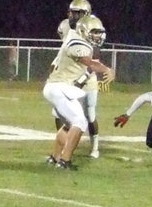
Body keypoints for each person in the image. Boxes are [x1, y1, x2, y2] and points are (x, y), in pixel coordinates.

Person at [42, 14, 114, 170]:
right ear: (83, 30)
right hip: (59, 88)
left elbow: (88, 65)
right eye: (94, 31)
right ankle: (65, 161)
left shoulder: (75, 39)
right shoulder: (77, 42)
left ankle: (55, 158)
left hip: (57, 87)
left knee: (69, 124)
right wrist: (107, 69)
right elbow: (88, 63)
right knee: (80, 122)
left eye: (99, 32)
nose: (98, 35)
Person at [50, 0, 103, 157]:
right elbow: (65, 51)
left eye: (78, 13)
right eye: (72, 12)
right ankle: (63, 146)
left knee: (89, 114)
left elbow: (93, 62)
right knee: (59, 113)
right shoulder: (65, 27)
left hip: (87, 77)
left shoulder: (93, 28)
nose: (73, 16)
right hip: (69, 76)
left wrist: (81, 80)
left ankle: (94, 148)